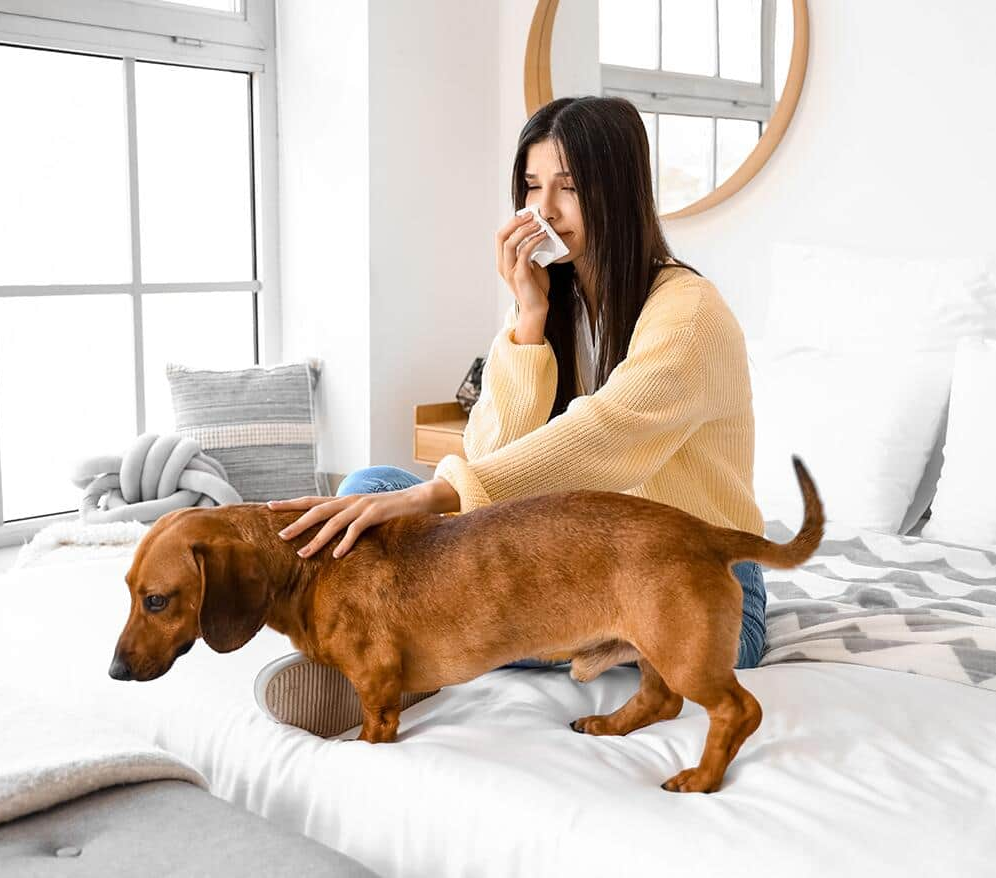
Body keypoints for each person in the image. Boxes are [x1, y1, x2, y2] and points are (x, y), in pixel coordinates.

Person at [253, 95, 768, 738]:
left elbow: (604, 435)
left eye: (569, 187)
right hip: (577, 557)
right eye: (531, 187)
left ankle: (398, 656)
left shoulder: (689, 313)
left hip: (692, 583)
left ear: (620, 192)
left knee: (407, 513)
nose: (544, 210)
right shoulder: (551, 297)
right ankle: (395, 653)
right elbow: (488, 451)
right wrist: (527, 319)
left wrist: (439, 493)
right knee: (370, 489)